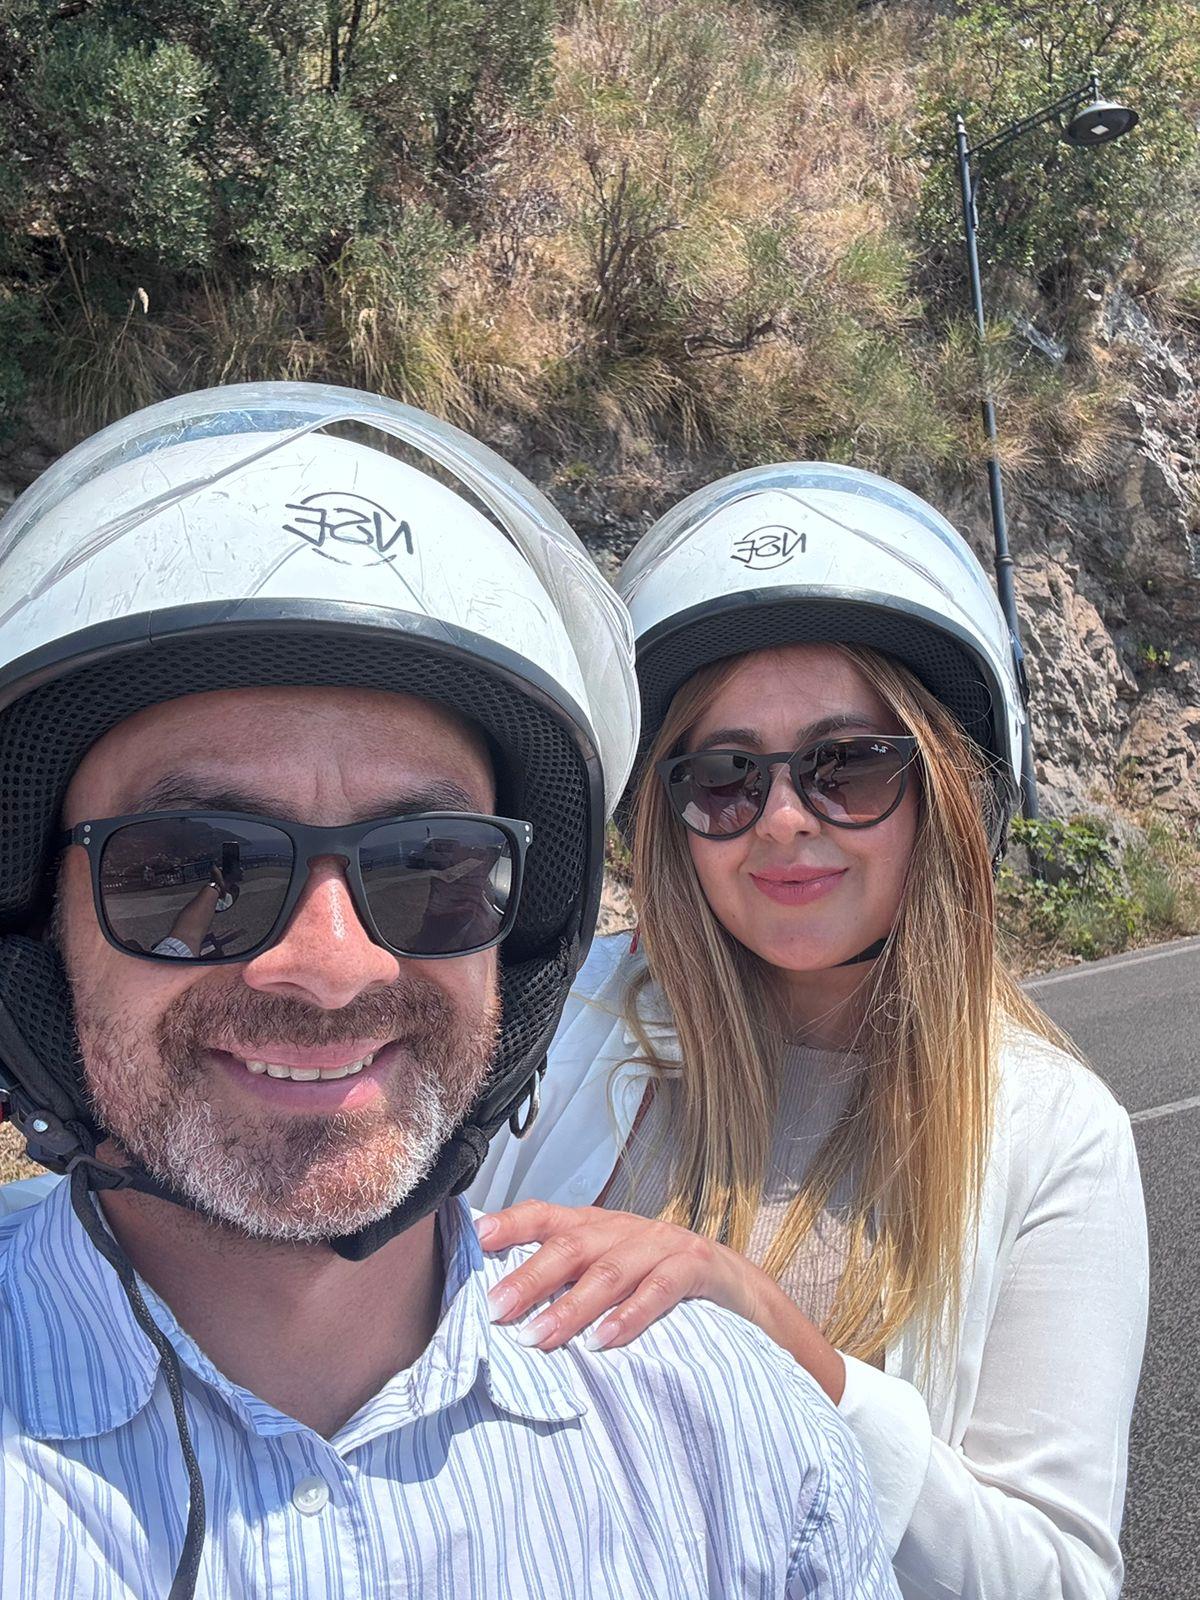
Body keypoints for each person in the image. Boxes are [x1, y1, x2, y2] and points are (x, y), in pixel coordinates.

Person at [0, 392, 898, 1600]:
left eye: (430, 869)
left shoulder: (737, 1453)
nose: (332, 964)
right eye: (196, 868)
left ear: (517, 944)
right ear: (37, 928)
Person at [468, 463, 1150, 1600]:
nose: (782, 819)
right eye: (726, 777)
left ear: (944, 790)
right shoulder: (556, 1013)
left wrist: (790, 1353)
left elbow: (1056, 1578)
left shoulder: (1053, 1130)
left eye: (850, 765)